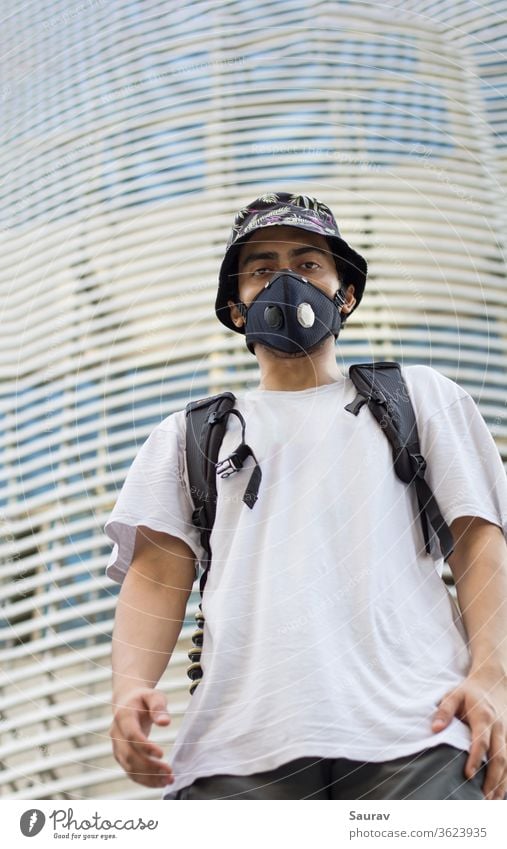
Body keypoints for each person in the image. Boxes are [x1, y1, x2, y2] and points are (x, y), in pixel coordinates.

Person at [106, 192, 507, 800]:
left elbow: (479, 542)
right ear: (237, 309)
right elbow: (159, 574)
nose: (285, 281)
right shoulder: (189, 434)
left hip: (421, 735)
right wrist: (128, 685)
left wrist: (493, 678)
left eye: (308, 263)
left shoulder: (421, 398)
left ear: (344, 295)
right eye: (262, 269)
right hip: (236, 753)